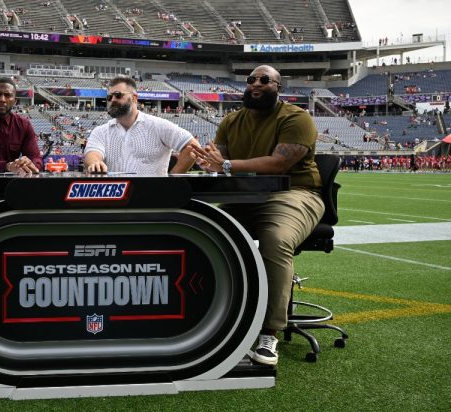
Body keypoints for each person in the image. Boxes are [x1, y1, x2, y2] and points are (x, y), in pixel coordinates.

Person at [191, 65, 324, 366]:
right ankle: (210, 317)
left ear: (279, 87)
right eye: (252, 79)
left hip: (294, 194)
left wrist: (225, 165)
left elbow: (278, 164)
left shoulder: (296, 118)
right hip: (244, 196)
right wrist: (206, 163)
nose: (257, 84)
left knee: (275, 240)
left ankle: (268, 333)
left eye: (266, 80)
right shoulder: (231, 120)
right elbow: (217, 162)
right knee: (202, 228)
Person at [83, 76, 200, 175]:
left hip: (152, 197)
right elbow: (92, 153)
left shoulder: (158, 125)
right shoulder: (100, 131)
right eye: (109, 97)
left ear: (134, 98)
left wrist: (172, 179)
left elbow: (193, 147)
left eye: (118, 95)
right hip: (117, 197)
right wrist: (95, 162)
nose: (112, 100)